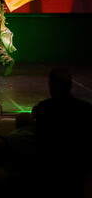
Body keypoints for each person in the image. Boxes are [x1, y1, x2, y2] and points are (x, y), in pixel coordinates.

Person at [34, 68, 92, 196]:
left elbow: (39, 140)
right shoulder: (85, 108)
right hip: (75, 170)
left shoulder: (44, 108)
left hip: (51, 170)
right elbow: (88, 142)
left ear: (52, 86)